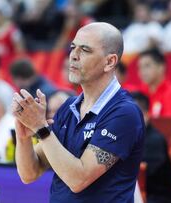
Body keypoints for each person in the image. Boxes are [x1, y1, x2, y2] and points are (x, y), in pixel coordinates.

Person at [12, 22, 145, 202]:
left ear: (110, 61)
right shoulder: (69, 107)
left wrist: (41, 127)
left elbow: (78, 179)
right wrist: (24, 136)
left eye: (85, 50)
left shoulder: (125, 113)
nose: (73, 56)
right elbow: (29, 174)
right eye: (73, 47)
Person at [131, 91, 171, 203]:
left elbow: (142, 174)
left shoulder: (155, 141)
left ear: (146, 115)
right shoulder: (127, 137)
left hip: (159, 197)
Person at [138, 48, 171, 117]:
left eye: (147, 66)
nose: (142, 71)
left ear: (161, 67)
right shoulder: (140, 91)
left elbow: (169, 124)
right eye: (139, 67)